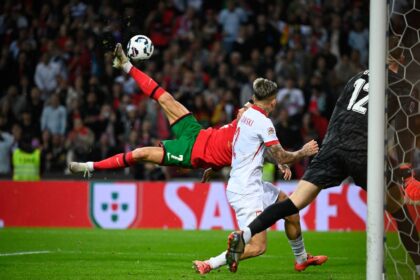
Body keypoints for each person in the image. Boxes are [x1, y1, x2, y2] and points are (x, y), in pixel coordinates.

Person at [69, 43, 326, 273]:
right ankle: (125, 65)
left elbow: (263, 151)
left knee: (142, 153)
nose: (244, 108)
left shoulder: (253, 124)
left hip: (195, 154)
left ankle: (300, 257)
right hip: (198, 133)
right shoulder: (252, 118)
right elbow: (266, 149)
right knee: (164, 97)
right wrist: (288, 156)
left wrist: (222, 163)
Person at [225, 38, 420, 276]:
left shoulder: (356, 78)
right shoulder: (403, 87)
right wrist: (404, 168)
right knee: (399, 211)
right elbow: (404, 132)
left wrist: (331, 144)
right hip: (363, 150)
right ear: (403, 59)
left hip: (333, 147)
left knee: (293, 203)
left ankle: (244, 234)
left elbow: (340, 111)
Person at [195, 78, 326, 275]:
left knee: (289, 207)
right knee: (258, 247)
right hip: (247, 191)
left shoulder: (246, 115)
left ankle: (301, 259)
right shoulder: (264, 122)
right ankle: (209, 263)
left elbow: (256, 149)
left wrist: (279, 162)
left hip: (249, 184)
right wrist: (303, 152)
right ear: (273, 102)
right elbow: (280, 153)